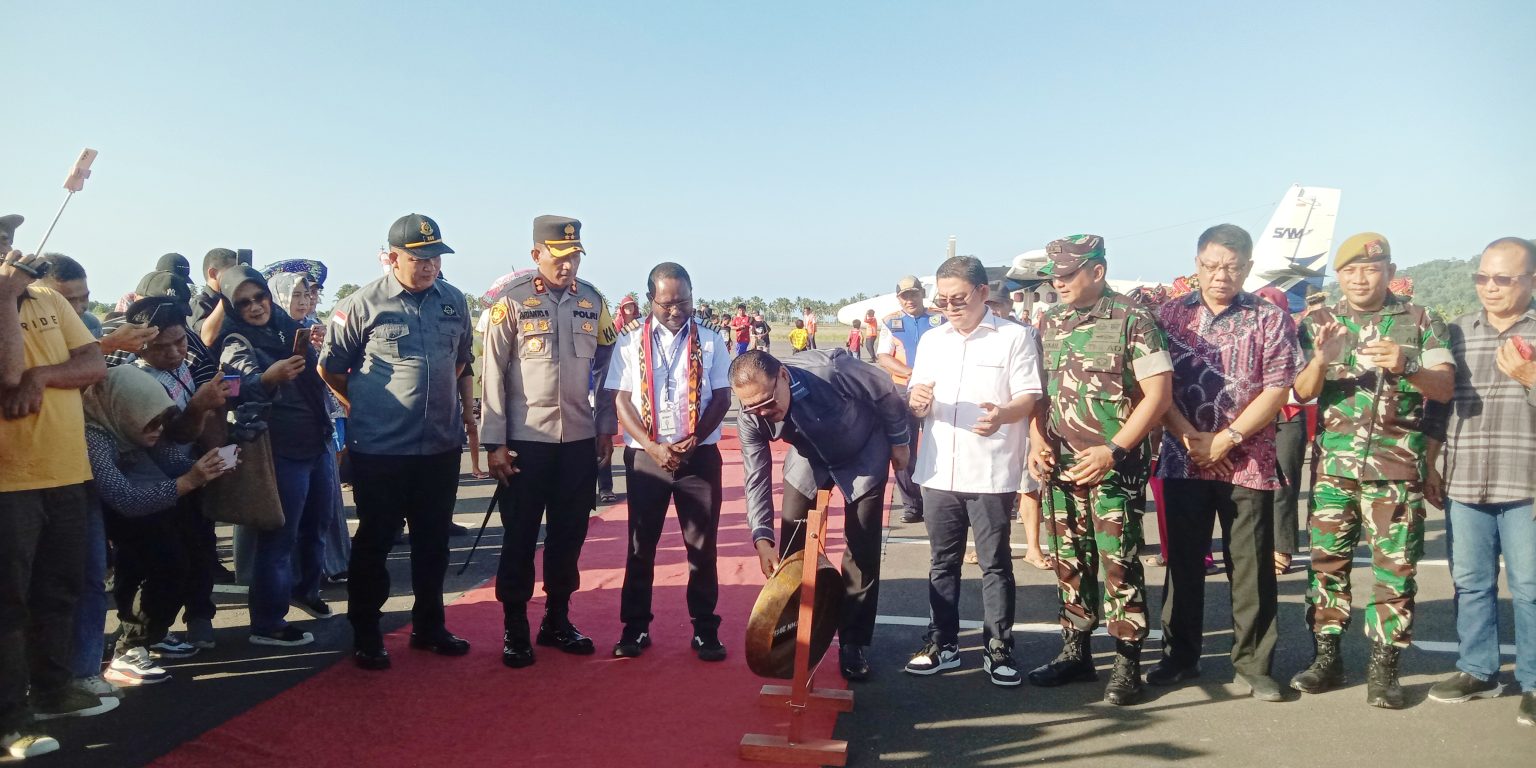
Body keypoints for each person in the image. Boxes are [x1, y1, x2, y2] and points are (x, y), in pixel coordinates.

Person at [1286, 234, 1454, 708]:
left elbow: (1443, 388)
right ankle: (1327, 659)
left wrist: (1408, 364)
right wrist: (1321, 358)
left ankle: (1385, 670)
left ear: (1389, 269)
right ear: (1339, 276)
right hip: (1334, 469)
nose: (1360, 278)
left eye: (1371, 268)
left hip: (1396, 468)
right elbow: (1299, 394)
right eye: (1350, 271)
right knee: (1326, 568)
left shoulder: (1423, 320)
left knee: (1395, 571)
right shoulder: (1318, 321)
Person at [1151, 224, 1302, 702]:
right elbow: (1156, 386)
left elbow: (1278, 388)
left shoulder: (1269, 318)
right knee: (1183, 564)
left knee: (1251, 567)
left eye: (1233, 267)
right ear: (1196, 264)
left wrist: (1228, 439)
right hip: (1183, 457)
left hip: (1248, 460)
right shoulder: (1169, 316)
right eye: (1212, 266)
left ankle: (1254, 665)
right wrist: (1191, 438)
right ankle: (1178, 657)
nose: (1221, 276)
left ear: (1249, 268)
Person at [319, 213, 475, 671]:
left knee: (433, 543)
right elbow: (330, 368)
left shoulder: (453, 302)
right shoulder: (363, 304)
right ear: (392, 257)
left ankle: (430, 626)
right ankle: (367, 631)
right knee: (376, 542)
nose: (428, 266)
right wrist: (366, 408)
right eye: (418, 258)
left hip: (439, 447)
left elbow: (461, 361)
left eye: (434, 258)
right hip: (382, 449)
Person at [1024, 236, 1172, 705]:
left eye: (1068, 273)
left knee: (1119, 563)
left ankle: (1128, 662)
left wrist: (1114, 448)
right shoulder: (1049, 320)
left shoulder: (1134, 319)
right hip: (1061, 466)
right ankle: (1077, 651)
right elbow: (1038, 390)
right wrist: (1036, 439)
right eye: (1054, 275)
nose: (1058, 282)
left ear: (1098, 271)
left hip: (1112, 466)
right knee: (1071, 561)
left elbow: (1158, 395)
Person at [479, 215, 616, 668]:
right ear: (537, 254)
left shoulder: (592, 302)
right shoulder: (512, 303)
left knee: (569, 535)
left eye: (575, 256)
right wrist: (493, 442)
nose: (568, 265)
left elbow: (607, 369)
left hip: (577, 440)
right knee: (519, 536)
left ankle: (557, 619)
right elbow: (492, 374)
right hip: (526, 441)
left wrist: (604, 425)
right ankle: (515, 626)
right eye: (559, 257)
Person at [903, 256, 1041, 687]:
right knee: (942, 563)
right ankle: (941, 643)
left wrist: (1004, 414)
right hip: (940, 470)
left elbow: (1029, 397)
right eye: (942, 300)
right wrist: (917, 403)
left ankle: (998, 648)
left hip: (991, 469)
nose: (949, 307)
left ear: (983, 292)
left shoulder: (1014, 338)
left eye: (958, 298)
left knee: (996, 565)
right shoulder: (932, 340)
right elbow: (916, 397)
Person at [733, 348, 910, 681]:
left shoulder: (834, 368)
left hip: (862, 453)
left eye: (769, 402)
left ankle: (854, 644)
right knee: (791, 555)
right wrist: (761, 537)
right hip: (808, 460)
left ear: (783, 375)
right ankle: (793, 640)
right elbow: (755, 474)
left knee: (861, 552)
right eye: (753, 407)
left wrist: (899, 441)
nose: (764, 412)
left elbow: (885, 389)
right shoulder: (751, 415)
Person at [0, 239, 111, 759]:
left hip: (64, 470)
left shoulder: (51, 299)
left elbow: (93, 363)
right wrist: (4, 297)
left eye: (7, 243)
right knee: (8, 605)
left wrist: (43, 375)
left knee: (58, 589)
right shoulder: (10, 296)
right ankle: (8, 719)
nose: (11, 253)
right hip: (7, 481)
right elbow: (6, 375)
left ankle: (51, 690)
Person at [1423, 236, 1536, 726]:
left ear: (1531, 281)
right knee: (1470, 582)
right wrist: (1430, 462)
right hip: (1466, 478)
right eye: (1481, 278)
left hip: (1528, 481)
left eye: (1503, 278)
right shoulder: (1456, 332)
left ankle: (1533, 679)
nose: (1489, 288)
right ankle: (1477, 669)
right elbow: (1438, 403)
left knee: (1531, 586)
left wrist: (1532, 375)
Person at [606, 263, 732, 660]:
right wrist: (652, 445)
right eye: (666, 304)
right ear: (650, 301)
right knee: (641, 545)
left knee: (702, 547)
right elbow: (622, 400)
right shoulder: (629, 344)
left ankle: (705, 629)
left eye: (683, 302)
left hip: (699, 458)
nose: (676, 310)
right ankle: (635, 628)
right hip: (647, 458)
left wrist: (693, 440)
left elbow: (723, 396)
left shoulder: (711, 342)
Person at [87, 365, 230, 685]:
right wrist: (189, 480)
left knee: (177, 561)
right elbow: (124, 500)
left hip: (140, 505)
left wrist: (210, 466)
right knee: (165, 564)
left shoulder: (132, 418)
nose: (156, 430)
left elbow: (172, 461)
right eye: (150, 423)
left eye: (162, 422)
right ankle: (129, 650)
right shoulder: (94, 434)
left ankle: (149, 634)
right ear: (125, 410)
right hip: (100, 512)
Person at [220, 265, 337, 647]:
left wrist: (314, 350)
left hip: (315, 439)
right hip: (279, 448)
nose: (255, 307)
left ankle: (305, 589)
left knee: (317, 524)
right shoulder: (236, 340)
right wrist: (268, 377)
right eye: (244, 302)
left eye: (260, 298)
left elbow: (315, 377)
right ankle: (267, 622)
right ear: (232, 306)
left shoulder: (287, 328)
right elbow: (235, 389)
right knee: (279, 537)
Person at [126, 296, 229, 654]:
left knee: (200, 551)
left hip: (191, 479)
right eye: (161, 346)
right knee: (160, 564)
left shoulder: (184, 367)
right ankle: (140, 639)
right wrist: (201, 405)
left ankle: (194, 619)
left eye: (180, 342)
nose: (173, 353)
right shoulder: (134, 378)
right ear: (139, 341)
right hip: (154, 488)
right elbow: (175, 439)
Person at [877, 275, 946, 524]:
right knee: (904, 449)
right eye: (904, 296)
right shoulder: (891, 323)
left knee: (940, 446)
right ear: (899, 298)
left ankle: (939, 503)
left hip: (937, 391)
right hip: (902, 391)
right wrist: (912, 374)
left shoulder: (940, 319)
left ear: (921, 294)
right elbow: (883, 356)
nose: (910, 300)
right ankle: (912, 505)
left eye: (914, 294)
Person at [1256, 285, 1307, 576]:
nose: (1266, 309)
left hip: (1288, 414)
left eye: (1271, 303)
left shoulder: (1295, 333)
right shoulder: (1249, 331)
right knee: (1256, 484)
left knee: (1285, 483)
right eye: (1260, 302)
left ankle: (1282, 548)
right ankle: (1260, 545)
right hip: (1256, 417)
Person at [191, 248, 238, 343]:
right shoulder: (200, 303)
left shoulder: (240, 299)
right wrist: (227, 296)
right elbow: (207, 338)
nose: (238, 276)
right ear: (212, 273)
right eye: (233, 272)